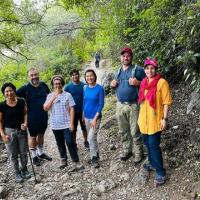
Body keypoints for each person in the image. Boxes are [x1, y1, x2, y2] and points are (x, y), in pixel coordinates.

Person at [138, 58, 172, 185]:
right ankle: (152, 164)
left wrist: (165, 118)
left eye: (152, 68)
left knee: (154, 146)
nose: (149, 70)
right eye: (147, 68)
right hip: (143, 120)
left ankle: (160, 172)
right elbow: (141, 101)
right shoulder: (143, 82)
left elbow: (166, 102)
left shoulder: (162, 83)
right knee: (147, 143)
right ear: (145, 70)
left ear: (155, 69)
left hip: (155, 121)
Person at [110, 47, 145, 164]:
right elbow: (115, 84)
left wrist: (138, 83)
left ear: (131, 57)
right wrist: (112, 84)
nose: (126, 58)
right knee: (123, 130)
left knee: (135, 131)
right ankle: (127, 150)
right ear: (121, 58)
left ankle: (139, 152)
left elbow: (148, 84)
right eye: (124, 56)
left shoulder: (138, 70)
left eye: (128, 56)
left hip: (133, 105)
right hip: (120, 105)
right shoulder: (117, 71)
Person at [44, 75, 81, 169]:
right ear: (53, 85)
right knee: (60, 143)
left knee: (69, 142)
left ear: (62, 84)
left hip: (66, 124)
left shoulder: (67, 95)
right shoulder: (49, 96)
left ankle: (76, 161)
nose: (57, 85)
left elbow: (72, 109)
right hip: (55, 125)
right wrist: (53, 97)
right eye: (55, 84)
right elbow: (45, 108)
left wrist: (72, 123)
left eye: (59, 83)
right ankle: (63, 159)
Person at [17, 68, 52, 166]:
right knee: (32, 136)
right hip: (31, 117)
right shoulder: (25, 88)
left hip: (43, 115)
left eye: (36, 74)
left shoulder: (43, 85)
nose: (34, 77)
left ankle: (40, 153)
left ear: (38, 74)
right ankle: (34, 156)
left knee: (41, 134)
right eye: (32, 75)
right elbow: (13, 96)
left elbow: (49, 97)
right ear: (28, 77)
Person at [0, 83, 31, 183]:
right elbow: (0, 122)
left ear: (14, 91)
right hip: (9, 132)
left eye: (11, 90)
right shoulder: (2, 105)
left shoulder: (21, 101)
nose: (9, 93)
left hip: (21, 131)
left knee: (23, 152)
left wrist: (25, 123)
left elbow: (25, 113)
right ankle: (16, 172)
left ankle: (24, 169)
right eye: (6, 91)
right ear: (4, 94)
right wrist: (2, 135)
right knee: (12, 154)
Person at [83, 69, 104, 168]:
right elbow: (84, 102)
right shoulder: (85, 88)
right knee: (92, 138)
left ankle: (94, 158)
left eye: (91, 76)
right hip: (86, 117)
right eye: (87, 76)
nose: (89, 78)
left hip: (96, 117)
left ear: (94, 76)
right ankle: (96, 154)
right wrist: (83, 114)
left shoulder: (100, 88)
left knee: (91, 137)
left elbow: (101, 104)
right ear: (85, 78)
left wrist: (95, 118)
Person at [64, 69, 89, 149]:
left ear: (79, 75)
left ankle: (86, 141)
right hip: (72, 112)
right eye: (73, 75)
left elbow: (87, 98)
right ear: (71, 77)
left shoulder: (84, 86)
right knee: (73, 128)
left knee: (84, 127)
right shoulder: (68, 87)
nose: (75, 76)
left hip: (83, 111)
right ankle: (74, 143)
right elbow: (65, 99)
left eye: (76, 74)